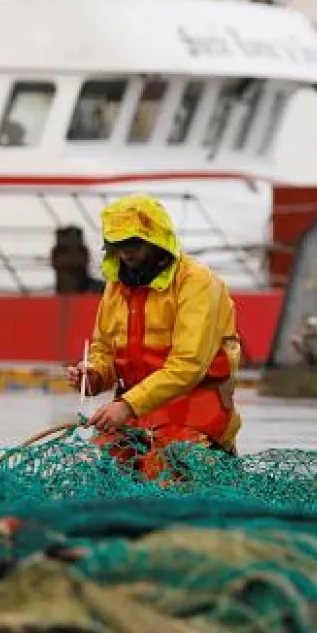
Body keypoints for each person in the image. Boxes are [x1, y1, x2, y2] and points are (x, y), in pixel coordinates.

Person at [67, 193, 243, 479]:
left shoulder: (197, 282)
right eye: (119, 245)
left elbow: (188, 366)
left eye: (133, 244)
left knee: (162, 470)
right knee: (94, 470)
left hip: (194, 416)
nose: (126, 253)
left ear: (157, 240)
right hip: (135, 418)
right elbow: (104, 350)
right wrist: (93, 375)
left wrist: (126, 405)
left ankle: (213, 463)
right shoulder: (116, 286)